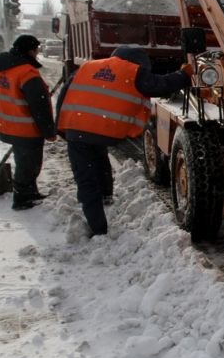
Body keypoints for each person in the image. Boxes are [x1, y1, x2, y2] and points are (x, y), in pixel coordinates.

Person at [56, 46, 192, 236]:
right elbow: (160, 84)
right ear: (140, 63)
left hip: (76, 129)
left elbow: (63, 96)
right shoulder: (133, 71)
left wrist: (60, 127)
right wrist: (184, 76)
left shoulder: (87, 67)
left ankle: (98, 219)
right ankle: (101, 219)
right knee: (99, 161)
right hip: (103, 131)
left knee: (86, 177)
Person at [0, 35, 58, 210]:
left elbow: (15, 95)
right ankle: (22, 199)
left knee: (24, 162)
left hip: (8, 124)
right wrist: (49, 131)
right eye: (36, 50)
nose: (37, 54)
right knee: (30, 165)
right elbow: (39, 106)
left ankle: (30, 192)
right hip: (25, 128)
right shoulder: (26, 72)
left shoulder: (3, 68)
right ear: (29, 51)